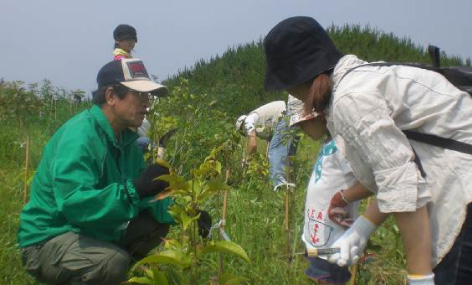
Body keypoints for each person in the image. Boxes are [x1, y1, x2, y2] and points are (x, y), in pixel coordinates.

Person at [264, 16, 472, 284]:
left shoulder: (350, 100)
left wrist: (419, 276)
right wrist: (363, 228)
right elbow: (391, 172)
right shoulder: (354, 82)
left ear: (297, 79)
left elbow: (402, 184)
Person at [17, 58, 210, 284]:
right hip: (49, 238)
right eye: (139, 95)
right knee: (112, 263)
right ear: (110, 96)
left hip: (88, 230)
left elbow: (146, 198)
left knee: (156, 224)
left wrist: (189, 212)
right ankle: (105, 269)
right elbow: (73, 204)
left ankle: (113, 272)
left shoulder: (126, 141)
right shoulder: (81, 136)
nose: (146, 103)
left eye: (148, 96)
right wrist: (134, 190)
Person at [289, 97, 368, 284]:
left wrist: (343, 198)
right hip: (317, 235)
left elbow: (371, 182)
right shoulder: (329, 143)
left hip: (335, 241)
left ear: (318, 117)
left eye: (302, 124)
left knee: (329, 279)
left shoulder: (343, 145)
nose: (301, 130)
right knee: (320, 278)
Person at [236, 100, 298, 190]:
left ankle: (279, 184)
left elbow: (253, 145)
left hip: (286, 115)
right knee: (286, 154)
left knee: (275, 150)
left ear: (242, 126)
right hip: (294, 115)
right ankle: (287, 184)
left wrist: (247, 160)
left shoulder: (248, 121)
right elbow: (272, 138)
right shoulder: (258, 126)